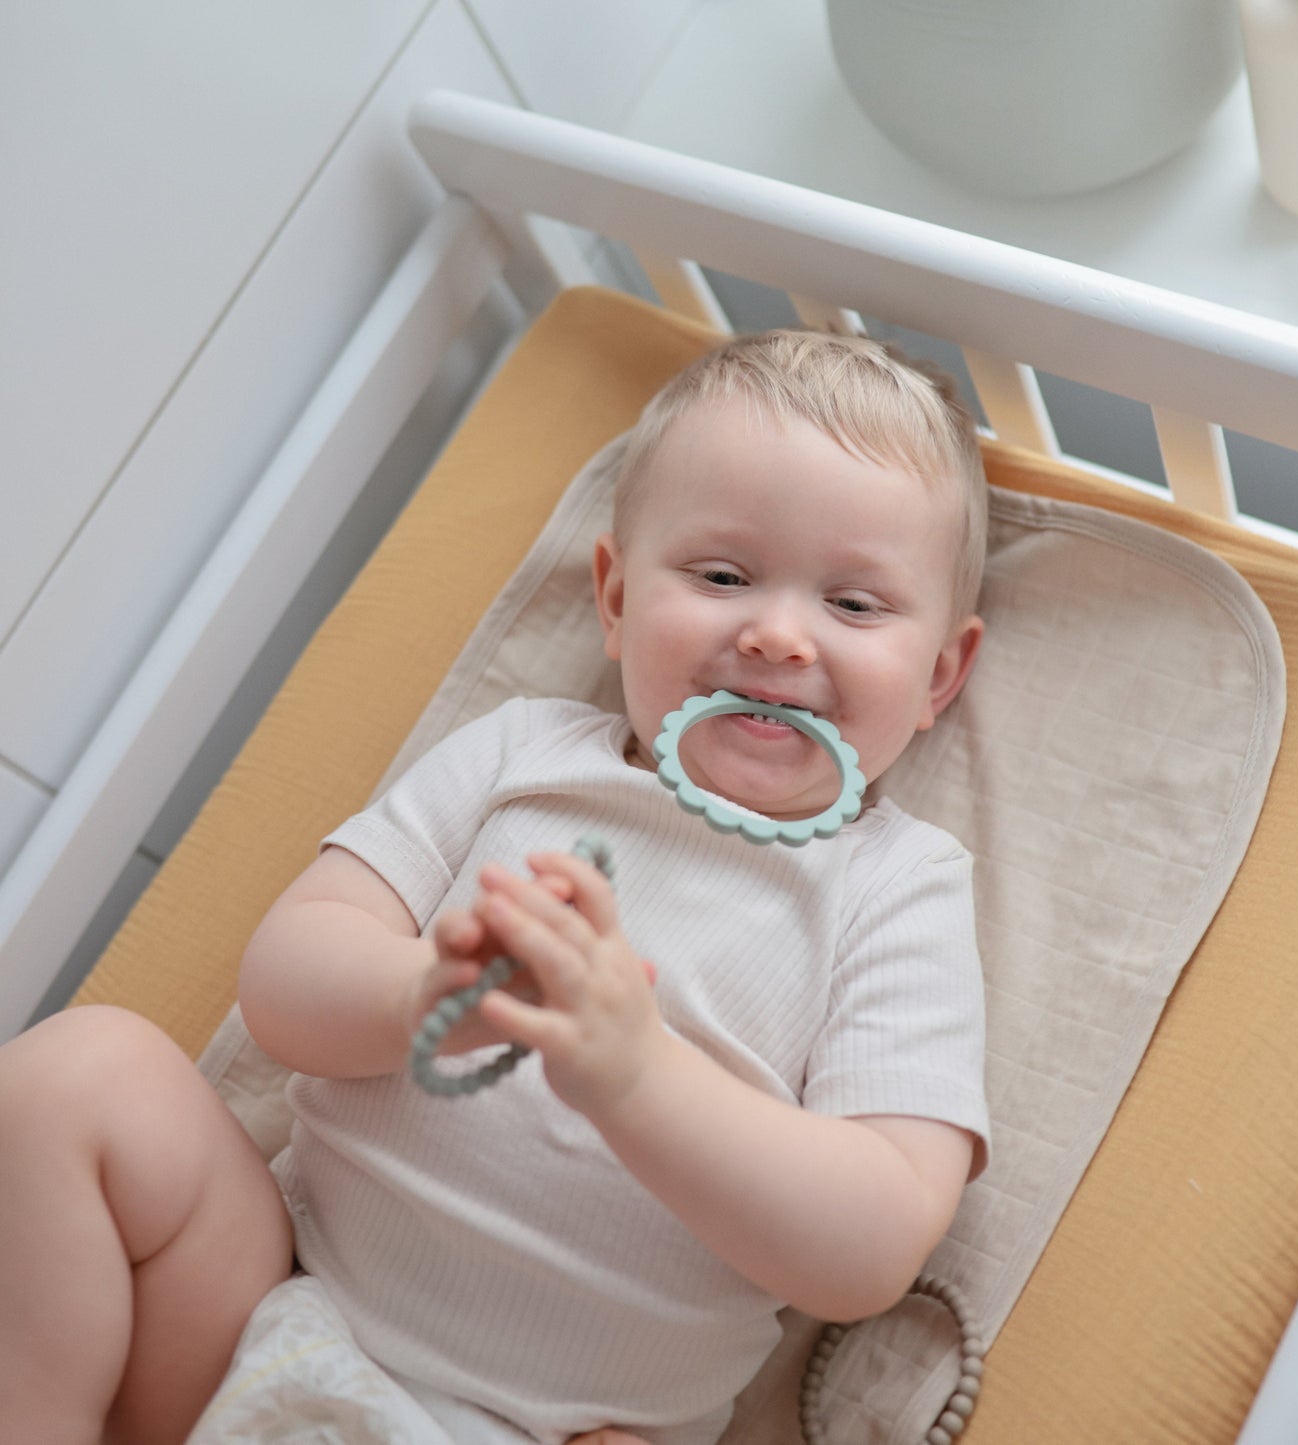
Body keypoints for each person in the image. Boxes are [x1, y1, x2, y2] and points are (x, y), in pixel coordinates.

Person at [0, 328, 991, 1445]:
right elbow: (283, 983)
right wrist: (422, 989)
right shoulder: (523, 752)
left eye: (854, 607)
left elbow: (871, 1241)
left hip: (551, 1422)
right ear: (614, 598)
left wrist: (634, 1072)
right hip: (274, 1300)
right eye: (721, 576)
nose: (774, 633)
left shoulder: (893, 886)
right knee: (79, 1070)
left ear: (938, 675)